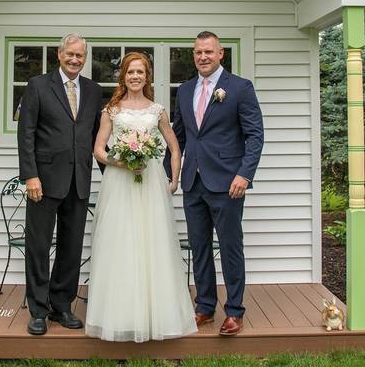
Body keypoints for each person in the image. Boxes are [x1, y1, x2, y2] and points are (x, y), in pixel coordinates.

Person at [86, 52, 197, 342]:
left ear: (147, 77)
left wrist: (174, 180)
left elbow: (174, 147)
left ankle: (155, 316)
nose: (135, 76)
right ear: (123, 76)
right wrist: (121, 163)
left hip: (150, 186)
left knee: (152, 246)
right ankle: (120, 316)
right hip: (119, 184)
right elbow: (99, 149)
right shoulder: (111, 110)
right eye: (130, 72)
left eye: (141, 72)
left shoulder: (158, 110)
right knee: (120, 245)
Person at [170, 31, 264, 336]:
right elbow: (179, 138)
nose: (203, 57)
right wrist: (168, 173)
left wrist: (244, 174)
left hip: (227, 182)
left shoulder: (239, 88)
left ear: (220, 53)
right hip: (192, 182)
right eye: (198, 52)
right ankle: (205, 307)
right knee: (199, 248)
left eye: (208, 51)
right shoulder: (184, 90)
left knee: (230, 246)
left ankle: (234, 311)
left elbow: (255, 136)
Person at [18, 33, 103, 336]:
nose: (75, 60)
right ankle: (38, 310)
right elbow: (26, 134)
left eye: (80, 55)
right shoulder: (38, 86)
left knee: (71, 247)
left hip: (79, 181)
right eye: (70, 54)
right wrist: (30, 175)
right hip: (43, 181)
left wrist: (114, 176)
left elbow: (97, 139)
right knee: (39, 246)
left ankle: (61, 306)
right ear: (59, 53)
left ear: (85, 57)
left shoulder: (93, 91)